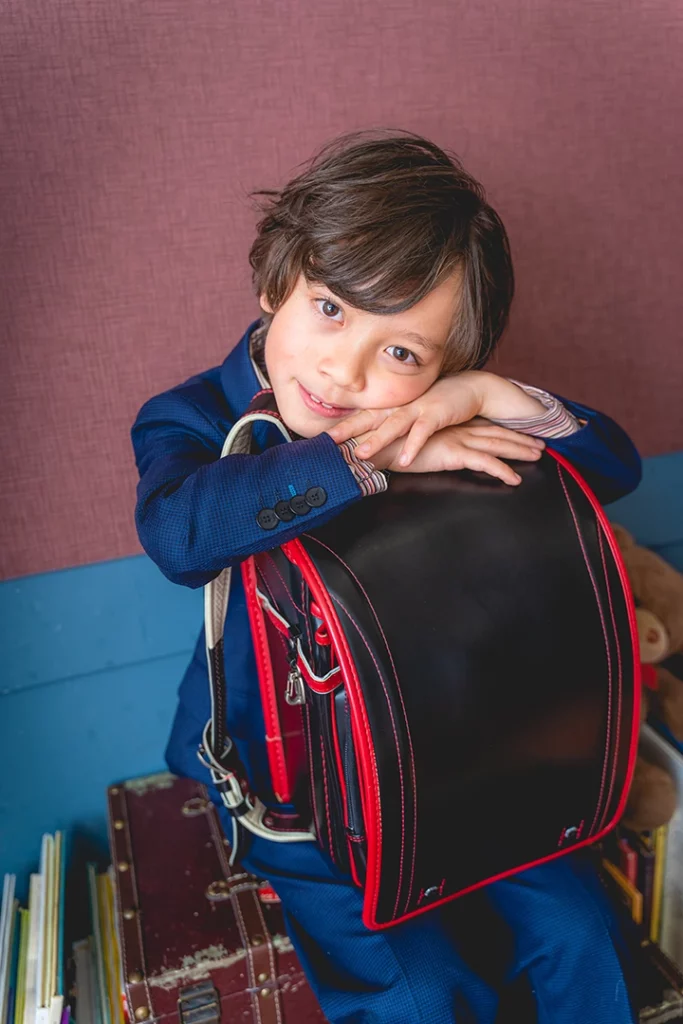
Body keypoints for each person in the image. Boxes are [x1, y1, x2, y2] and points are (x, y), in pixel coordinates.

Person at [131, 130, 642, 1023]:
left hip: (457, 752)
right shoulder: (193, 417)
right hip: (290, 785)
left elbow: (611, 466)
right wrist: (367, 454)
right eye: (329, 308)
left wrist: (484, 396)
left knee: (584, 937)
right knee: (419, 991)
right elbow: (179, 536)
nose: (346, 370)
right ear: (274, 282)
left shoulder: (446, 413)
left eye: (403, 352)